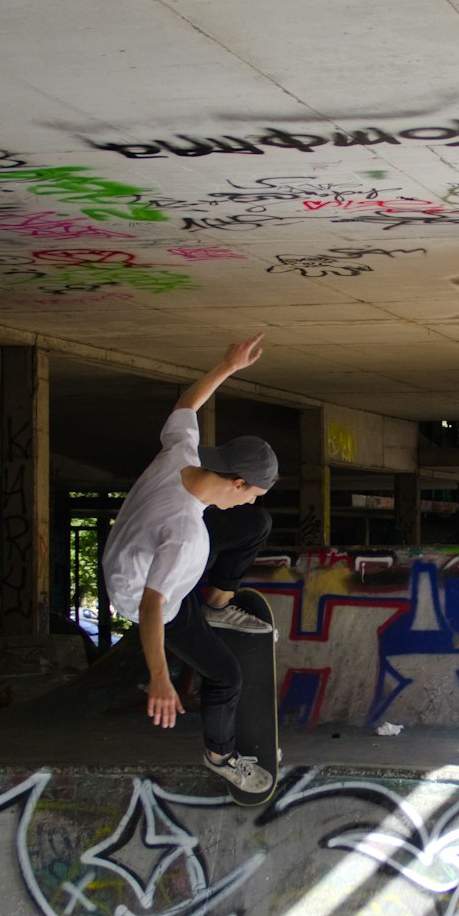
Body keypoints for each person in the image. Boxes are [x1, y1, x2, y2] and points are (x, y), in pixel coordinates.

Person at [102, 333, 279, 801]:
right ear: (237, 481)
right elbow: (152, 605)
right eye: (250, 493)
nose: (248, 500)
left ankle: (218, 602)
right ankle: (220, 757)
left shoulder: (180, 452)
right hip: (144, 590)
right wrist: (160, 676)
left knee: (254, 525)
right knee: (226, 675)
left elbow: (187, 403)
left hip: (144, 551)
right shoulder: (186, 536)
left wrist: (228, 364)